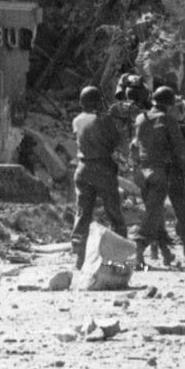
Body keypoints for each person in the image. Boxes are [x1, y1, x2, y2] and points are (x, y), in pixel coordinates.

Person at [132, 83, 185, 266]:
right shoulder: (168, 120)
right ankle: (139, 247)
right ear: (170, 104)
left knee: (154, 212)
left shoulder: (140, 118)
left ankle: (165, 251)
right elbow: (179, 149)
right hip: (164, 170)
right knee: (167, 210)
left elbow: (135, 146)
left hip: (143, 171)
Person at [69, 85, 126, 266]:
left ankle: (79, 255)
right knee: (114, 213)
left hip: (82, 169)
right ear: (98, 101)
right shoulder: (105, 119)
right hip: (102, 169)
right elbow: (116, 141)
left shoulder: (77, 120)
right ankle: (120, 257)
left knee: (82, 213)